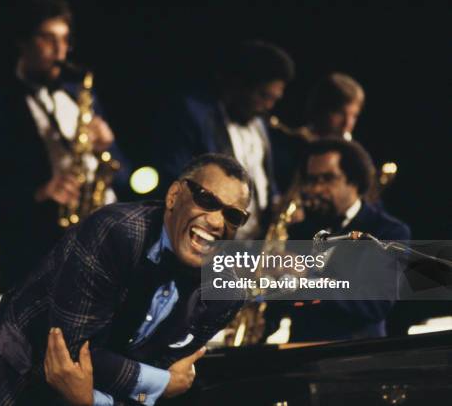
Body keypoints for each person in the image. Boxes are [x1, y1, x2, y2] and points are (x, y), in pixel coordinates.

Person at [0, 153, 250, 405]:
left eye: (233, 216)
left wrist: (95, 401)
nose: (216, 221)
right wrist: (162, 382)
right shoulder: (116, 232)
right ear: (174, 196)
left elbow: (153, 379)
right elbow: (68, 356)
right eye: (206, 200)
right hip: (13, 383)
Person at [0, 0, 130, 294]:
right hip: (36, 256)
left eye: (65, 40)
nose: (60, 50)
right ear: (23, 42)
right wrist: (38, 193)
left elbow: (125, 176)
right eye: (48, 39)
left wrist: (107, 146)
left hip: (98, 249)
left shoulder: (80, 98)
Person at [267, 139, 410, 341]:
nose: (315, 189)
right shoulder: (300, 230)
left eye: (327, 179)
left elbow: (374, 304)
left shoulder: (389, 232)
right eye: (311, 180)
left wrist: (306, 277)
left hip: (357, 358)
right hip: (300, 357)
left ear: (355, 182)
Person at [152, 40, 295, 239]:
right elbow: (175, 180)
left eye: (274, 99)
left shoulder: (259, 122)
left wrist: (277, 203)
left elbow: (263, 178)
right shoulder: (193, 114)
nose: (269, 106)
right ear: (238, 85)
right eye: (263, 96)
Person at [271, 72, 365, 192]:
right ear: (320, 110)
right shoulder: (288, 147)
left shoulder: (352, 157)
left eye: (354, 116)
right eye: (340, 113)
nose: (347, 123)